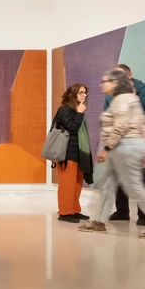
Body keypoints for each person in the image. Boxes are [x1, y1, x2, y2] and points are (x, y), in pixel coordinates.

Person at [78, 69, 145, 240]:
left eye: (105, 81)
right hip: (124, 146)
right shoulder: (124, 99)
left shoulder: (122, 100)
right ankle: (99, 222)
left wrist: (106, 148)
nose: (101, 84)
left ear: (115, 83)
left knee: (134, 187)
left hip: (125, 146)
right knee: (107, 185)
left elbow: (120, 127)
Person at [104, 63, 145, 226]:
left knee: (143, 178)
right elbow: (107, 115)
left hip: (140, 141)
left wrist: (135, 102)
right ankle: (122, 212)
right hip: (119, 141)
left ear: (129, 75)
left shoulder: (144, 90)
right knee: (119, 176)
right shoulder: (111, 93)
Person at [53, 84, 94, 223]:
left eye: (85, 92)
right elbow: (72, 127)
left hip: (78, 152)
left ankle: (74, 210)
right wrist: (79, 113)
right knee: (67, 184)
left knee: (77, 183)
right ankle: (65, 212)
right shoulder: (64, 110)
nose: (85, 95)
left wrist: (79, 112)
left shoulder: (76, 110)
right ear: (72, 94)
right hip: (66, 152)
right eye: (81, 92)